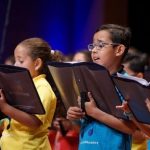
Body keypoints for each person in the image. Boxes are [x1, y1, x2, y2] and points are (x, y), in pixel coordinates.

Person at [67, 24, 138, 150]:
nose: (94, 50)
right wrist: (75, 117)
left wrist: (94, 112)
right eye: (93, 46)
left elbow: (131, 128)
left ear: (119, 50)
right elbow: (83, 125)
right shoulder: (87, 81)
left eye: (100, 45)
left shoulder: (128, 84)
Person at [0, 37, 57, 150]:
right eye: (15, 60)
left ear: (37, 64)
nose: (15, 65)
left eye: (20, 61)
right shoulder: (24, 86)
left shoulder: (43, 87)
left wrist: (5, 108)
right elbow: (19, 118)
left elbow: (34, 122)